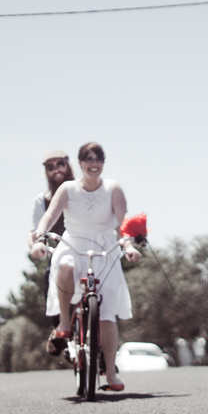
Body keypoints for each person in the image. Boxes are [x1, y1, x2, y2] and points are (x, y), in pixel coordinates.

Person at [32, 142, 141, 391]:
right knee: (65, 265)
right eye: (89, 159)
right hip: (74, 243)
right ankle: (64, 323)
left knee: (107, 315)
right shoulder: (68, 189)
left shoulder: (113, 188)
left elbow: (122, 221)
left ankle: (111, 374)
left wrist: (129, 246)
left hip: (104, 247)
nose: (94, 164)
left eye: (98, 159)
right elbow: (49, 216)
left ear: (103, 163)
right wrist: (39, 238)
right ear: (80, 163)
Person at [28, 149, 77, 341]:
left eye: (60, 164)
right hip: (59, 252)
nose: (56, 170)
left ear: (69, 165)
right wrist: (36, 245)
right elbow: (34, 232)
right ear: (46, 172)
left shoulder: (83, 192)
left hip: (86, 250)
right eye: (50, 167)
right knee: (51, 284)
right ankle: (59, 331)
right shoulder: (42, 200)